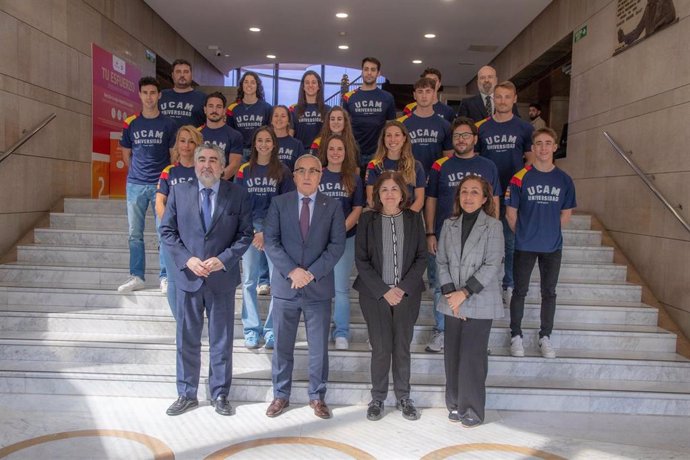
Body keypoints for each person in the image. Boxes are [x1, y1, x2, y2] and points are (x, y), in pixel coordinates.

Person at [160, 143, 253, 417]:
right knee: (187, 338)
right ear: (194, 163)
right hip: (188, 278)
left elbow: (245, 234)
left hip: (221, 279)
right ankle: (186, 393)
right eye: (202, 159)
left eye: (213, 160)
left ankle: (220, 393)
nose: (207, 165)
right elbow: (167, 232)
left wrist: (223, 259)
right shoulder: (179, 192)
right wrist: (187, 259)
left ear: (223, 166)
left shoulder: (237, 194)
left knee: (221, 340)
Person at [263, 154, 345, 419]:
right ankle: (280, 395)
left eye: (313, 171)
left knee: (318, 347)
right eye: (302, 171)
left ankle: (317, 396)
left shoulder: (332, 206)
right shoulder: (279, 203)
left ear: (321, 176)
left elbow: (336, 246)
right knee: (283, 345)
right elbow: (271, 241)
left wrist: (310, 273)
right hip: (286, 287)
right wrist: (291, 271)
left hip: (317, 288)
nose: (308, 176)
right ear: (294, 175)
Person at [354, 171, 427, 421]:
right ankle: (378, 398)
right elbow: (361, 261)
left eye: (395, 189)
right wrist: (385, 291)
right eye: (384, 189)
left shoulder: (415, 219)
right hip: (375, 295)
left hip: (407, 294)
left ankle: (404, 397)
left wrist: (402, 288)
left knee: (402, 347)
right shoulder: (367, 220)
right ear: (378, 194)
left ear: (402, 194)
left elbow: (421, 257)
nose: (389, 194)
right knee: (382, 348)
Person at [424, 117, 501, 353]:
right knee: (442, 284)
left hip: (479, 235)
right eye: (457, 136)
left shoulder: (488, 166)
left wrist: (492, 233)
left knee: (475, 284)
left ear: (475, 139)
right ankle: (443, 331)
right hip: (447, 235)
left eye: (466, 135)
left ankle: (475, 335)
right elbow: (432, 199)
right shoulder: (441, 165)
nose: (461, 139)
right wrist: (430, 232)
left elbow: (495, 199)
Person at [436, 175, 504, 428]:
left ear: (485, 198)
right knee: (452, 355)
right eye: (464, 191)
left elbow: (492, 264)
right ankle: (454, 404)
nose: (468, 196)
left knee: (472, 357)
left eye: (475, 192)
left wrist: (463, 294)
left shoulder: (493, 226)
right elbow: (441, 261)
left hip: (479, 300)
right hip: (452, 300)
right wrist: (452, 296)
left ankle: (472, 408)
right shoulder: (449, 224)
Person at [506, 127, 576, 359]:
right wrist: (525, 233)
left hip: (552, 246)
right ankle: (516, 335)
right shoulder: (519, 177)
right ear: (533, 148)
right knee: (519, 291)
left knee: (549, 292)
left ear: (555, 147)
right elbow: (511, 213)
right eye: (539, 144)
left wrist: (549, 232)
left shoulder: (564, 179)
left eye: (548, 143)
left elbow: (566, 214)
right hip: (525, 245)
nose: (543, 148)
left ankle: (545, 336)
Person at [235, 126, 294, 349]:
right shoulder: (244, 170)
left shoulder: (283, 171)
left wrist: (266, 232)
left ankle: (271, 330)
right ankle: (251, 330)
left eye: (268, 140)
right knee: (249, 280)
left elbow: (285, 206)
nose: (263, 144)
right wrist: (252, 231)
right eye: (259, 140)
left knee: (276, 281)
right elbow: (239, 203)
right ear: (254, 143)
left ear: (273, 144)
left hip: (274, 231)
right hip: (249, 231)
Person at [478, 81, 534, 305]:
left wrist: (520, 186)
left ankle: (508, 284)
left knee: (510, 242)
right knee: (483, 242)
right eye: (498, 97)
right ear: (493, 100)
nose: (502, 101)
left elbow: (530, 161)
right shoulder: (482, 127)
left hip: (513, 194)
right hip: (487, 193)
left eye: (506, 97)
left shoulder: (524, 128)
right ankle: (482, 283)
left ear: (514, 99)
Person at [118, 77, 176, 293]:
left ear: (159, 95)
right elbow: (127, 154)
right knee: (134, 233)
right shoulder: (131, 122)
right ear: (140, 95)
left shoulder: (168, 123)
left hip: (159, 185)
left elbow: (172, 156)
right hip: (135, 185)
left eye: (153, 92)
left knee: (164, 231)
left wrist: (166, 182)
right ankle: (137, 276)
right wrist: (136, 173)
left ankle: (165, 276)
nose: (149, 97)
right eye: (145, 92)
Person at [317, 134, 364, 350]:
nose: (336, 153)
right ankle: (321, 328)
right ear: (326, 152)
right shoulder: (318, 175)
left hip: (346, 238)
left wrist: (339, 230)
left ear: (346, 154)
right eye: (332, 149)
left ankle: (342, 332)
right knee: (320, 288)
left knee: (341, 289)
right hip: (319, 241)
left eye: (340, 149)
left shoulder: (353, 178)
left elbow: (357, 208)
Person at [156, 125, 202, 318]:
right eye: (182, 140)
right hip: (173, 234)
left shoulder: (203, 170)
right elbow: (160, 201)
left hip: (196, 234)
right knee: (174, 282)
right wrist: (169, 225)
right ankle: (181, 324)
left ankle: (195, 320)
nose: (186, 145)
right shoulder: (169, 171)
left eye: (191, 141)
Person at [343, 57, 397, 171]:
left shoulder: (387, 97)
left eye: (373, 70)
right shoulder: (349, 97)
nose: (369, 73)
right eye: (366, 69)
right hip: (354, 152)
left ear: (378, 73)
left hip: (378, 153)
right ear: (362, 72)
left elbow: (391, 127)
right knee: (354, 186)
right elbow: (345, 127)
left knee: (376, 187)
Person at [365, 121, 425, 212]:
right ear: (383, 139)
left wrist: (404, 218)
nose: (392, 139)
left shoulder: (416, 166)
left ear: (404, 138)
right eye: (388, 135)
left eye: (397, 135)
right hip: (381, 216)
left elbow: (419, 200)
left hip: (408, 217)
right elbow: (371, 199)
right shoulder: (374, 165)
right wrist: (388, 217)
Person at [399, 77, 453, 175]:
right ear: (414, 95)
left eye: (428, 91)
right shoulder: (402, 124)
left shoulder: (445, 125)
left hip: (435, 177)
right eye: (420, 92)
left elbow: (448, 159)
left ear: (434, 95)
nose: (424, 96)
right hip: (409, 176)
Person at [226, 71, 273, 161]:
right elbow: (229, 132)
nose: (249, 85)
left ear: (257, 86)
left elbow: (270, 132)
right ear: (242, 85)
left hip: (260, 150)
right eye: (246, 82)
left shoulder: (267, 108)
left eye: (252, 82)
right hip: (239, 151)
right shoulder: (232, 108)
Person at [199, 92, 243, 180]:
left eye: (218, 107)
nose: (214, 110)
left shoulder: (235, 135)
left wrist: (215, 182)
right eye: (211, 106)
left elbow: (234, 166)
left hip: (224, 185)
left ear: (224, 111)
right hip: (199, 184)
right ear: (205, 109)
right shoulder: (196, 134)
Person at [159, 59, 206, 129]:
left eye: (186, 72)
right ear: (172, 75)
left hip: (192, 139)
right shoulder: (160, 96)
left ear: (191, 75)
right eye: (178, 72)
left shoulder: (203, 98)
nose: (182, 75)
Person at [291, 70, 330, 149]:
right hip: (300, 154)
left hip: (320, 153)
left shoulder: (328, 110)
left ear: (319, 86)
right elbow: (290, 137)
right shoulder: (293, 110)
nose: (310, 85)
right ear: (303, 86)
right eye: (307, 82)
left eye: (314, 82)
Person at [272, 105, 306, 171]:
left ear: (288, 121)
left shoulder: (297, 144)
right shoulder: (264, 143)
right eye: (276, 116)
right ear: (271, 120)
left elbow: (301, 169)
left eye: (283, 116)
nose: (279, 119)